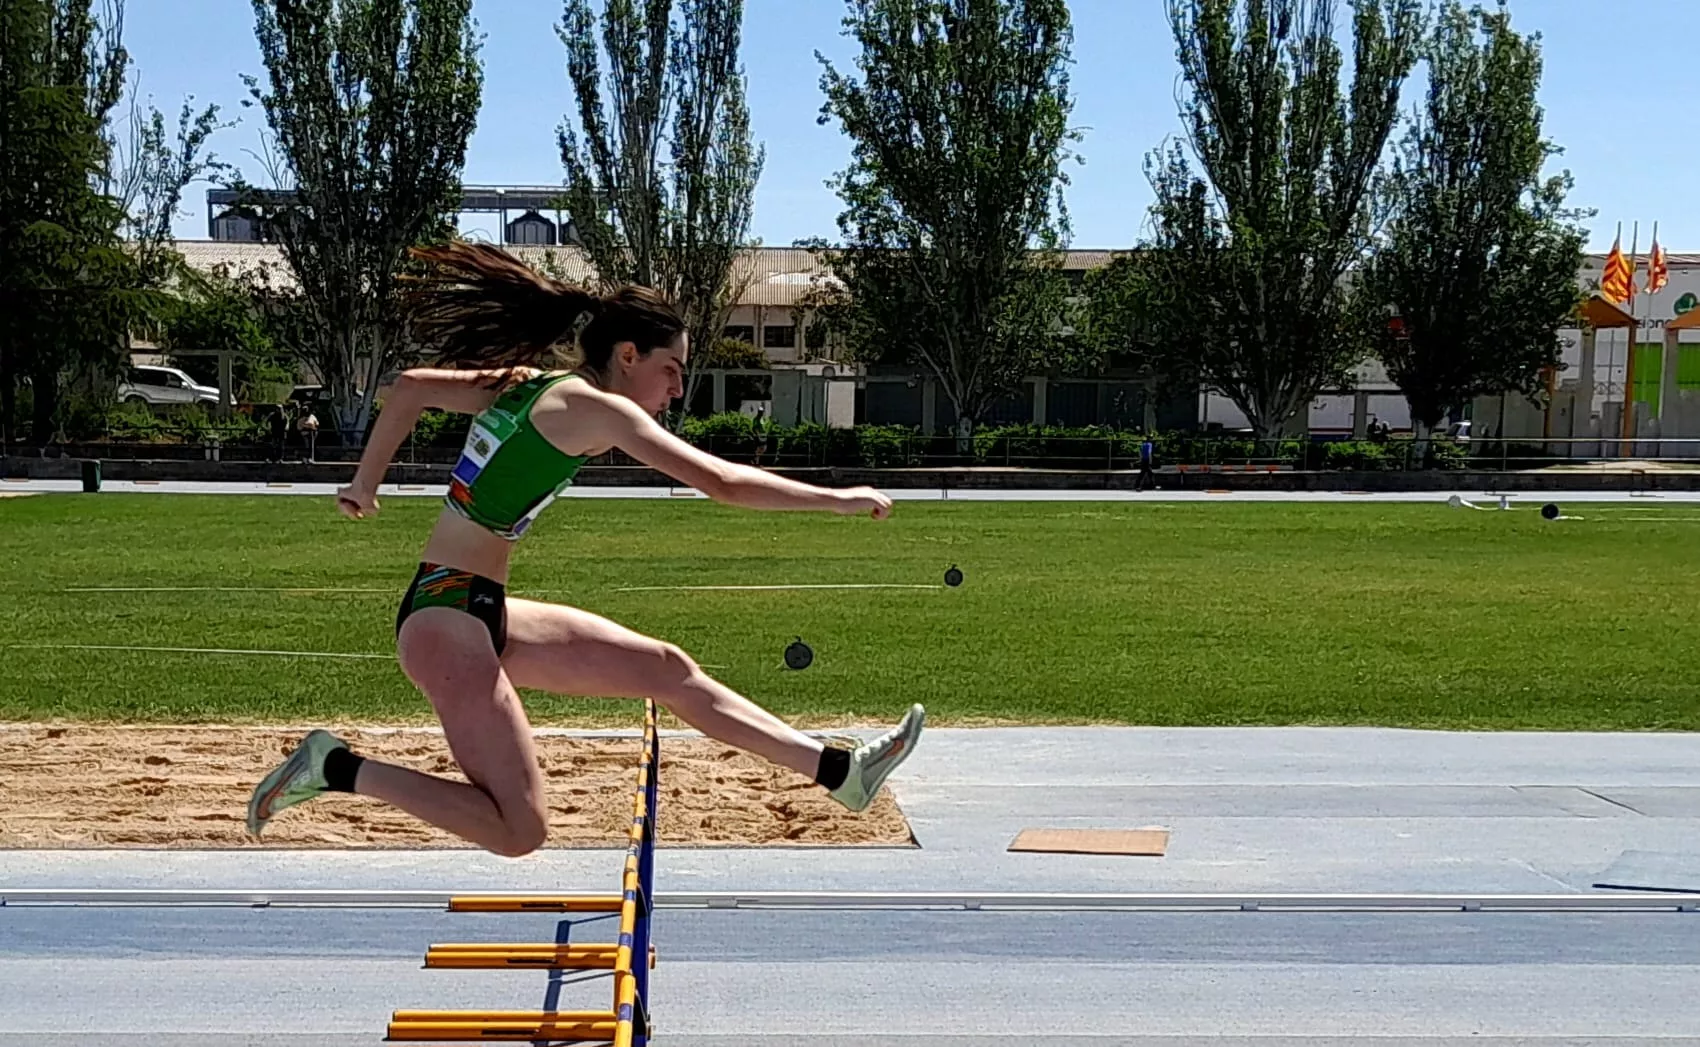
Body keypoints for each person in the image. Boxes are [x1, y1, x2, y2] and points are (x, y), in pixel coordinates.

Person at [246, 241, 924, 857]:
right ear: (626, 355)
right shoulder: (599, 407)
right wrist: (837, 497)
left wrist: (365, 484)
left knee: (666, 667)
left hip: (474, 609)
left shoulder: (527, 381)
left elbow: (412, 387)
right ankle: (334, 768)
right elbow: (718, 481)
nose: (677, 389)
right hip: (447, 623)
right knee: (520, 829)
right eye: (672, 369)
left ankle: (840, 771)